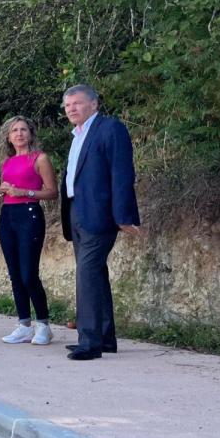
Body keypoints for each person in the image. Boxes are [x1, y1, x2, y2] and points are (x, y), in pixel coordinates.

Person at [60, 85, 141, 361]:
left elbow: (121, 173)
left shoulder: (110, 129)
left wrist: (124, 216)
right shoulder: (77, 135)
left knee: (87, 275)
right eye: (67, 105)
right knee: (95, 275)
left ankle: (89, 342)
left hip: (99, 215)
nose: (71, 108)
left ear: (94, 104)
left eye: (77, 103)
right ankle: (105, 338)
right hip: (76, 212)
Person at [0, 116, 58, 345]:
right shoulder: (7, 162)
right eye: (14, 131)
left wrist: (24, 192)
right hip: (7, 216)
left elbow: (52, 192)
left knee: (28, 273)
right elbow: (9, 189)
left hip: (30, 215)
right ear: (8, 137)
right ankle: (23, 324)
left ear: (30, 134)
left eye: (23, 130)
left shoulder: (40, 159)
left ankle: (43, 324)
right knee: (15, 274)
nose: (19, 134)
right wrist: (5, 191)